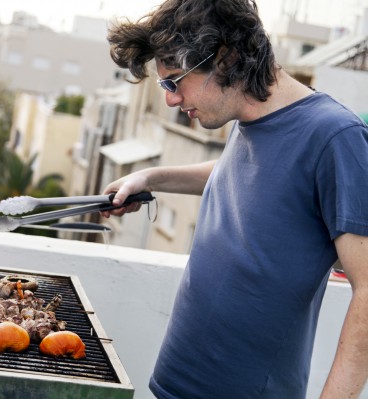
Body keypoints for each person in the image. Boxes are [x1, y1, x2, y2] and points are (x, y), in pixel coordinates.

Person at [101, 0, 368, 398]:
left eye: (174, 80)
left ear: (225, 59)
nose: (171, 99)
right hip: (177, 378)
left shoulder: (335, 137)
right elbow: (245, 177)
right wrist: (151, 176)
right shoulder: (245, 116)